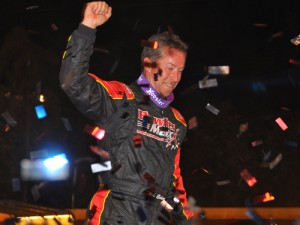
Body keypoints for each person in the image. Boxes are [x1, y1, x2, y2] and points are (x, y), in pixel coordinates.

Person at [59, 1, 194, 224]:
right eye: (170, 68)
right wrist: (87, 27)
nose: (176, 78)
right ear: (149, 64)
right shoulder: (122, 97)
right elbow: (73, 83)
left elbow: (173, 180)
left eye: (180, 71)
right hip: (115, 211)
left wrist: (186, 219)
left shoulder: (177, 121)